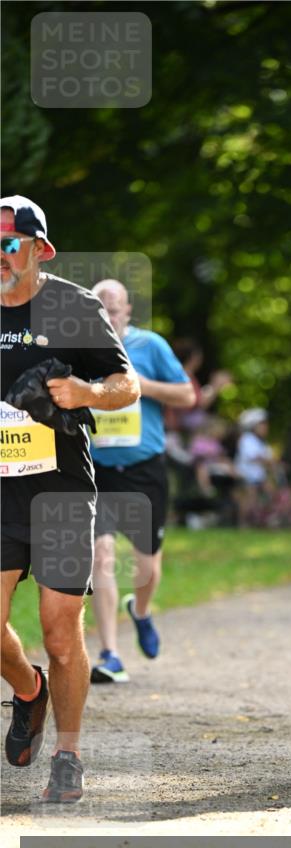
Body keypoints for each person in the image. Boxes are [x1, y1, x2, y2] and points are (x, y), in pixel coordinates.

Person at [0, 195, 139, 802]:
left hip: (58, 490)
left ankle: (69, 752)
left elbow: (125, 384)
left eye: (8, 243)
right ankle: (29, 693)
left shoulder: (73, 307)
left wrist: (85, 393)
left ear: (40, 250)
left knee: (60, 630)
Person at [88, 279, 195, 683]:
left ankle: (141, 610)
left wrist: (139, 385)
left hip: (144, 469)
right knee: (101, 557)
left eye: (114, 309)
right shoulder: (79, 350)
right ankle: (110, 654)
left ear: (128, 311)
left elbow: (187, 396)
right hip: (96, 469)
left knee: (148, 567)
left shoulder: (150, 346)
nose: (107, 316)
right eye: (99, 308)